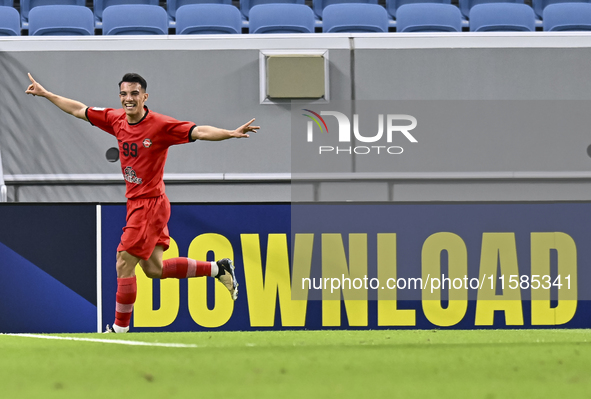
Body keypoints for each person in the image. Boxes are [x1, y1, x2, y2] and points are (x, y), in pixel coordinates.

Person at [25, 72, 259, 333]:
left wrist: (230, 133)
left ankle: (119, 330)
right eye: (124, 94)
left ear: (144, 97)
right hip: (140, 204)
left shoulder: (159, 125)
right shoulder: (115, 119)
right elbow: (79, 109)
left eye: (134, 93)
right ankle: (218, 268)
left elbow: (199, 131)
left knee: (123, 261)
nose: (129, 98)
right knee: (154, 269)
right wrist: (47, 95)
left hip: (149, 204)